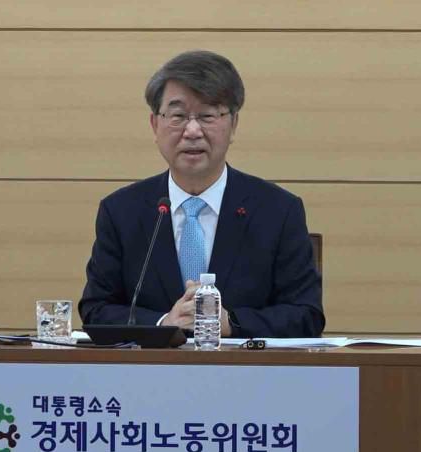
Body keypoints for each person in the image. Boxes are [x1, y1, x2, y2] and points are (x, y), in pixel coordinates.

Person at [79, 50, 325, 338]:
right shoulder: (121, 211)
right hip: (150, 367)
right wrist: (164, 323)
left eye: (207, 115)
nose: (192, 130)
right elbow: (96, 309)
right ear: (155, 125)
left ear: (233, 124)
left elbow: (306, 315)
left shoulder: (278, 211)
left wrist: (230, 323)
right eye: (178, 116)